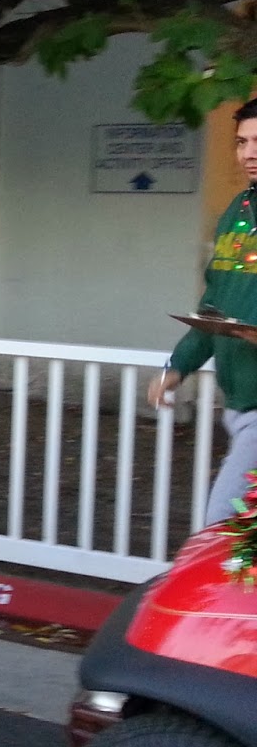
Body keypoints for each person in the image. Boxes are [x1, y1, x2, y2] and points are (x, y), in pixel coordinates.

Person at [150, 97, 257, 525]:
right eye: (242, 142)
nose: (249, 152)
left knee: (219, 532)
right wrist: (176, 368)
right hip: (240, 407)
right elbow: (213, 308)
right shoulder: (237, 213)